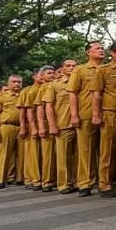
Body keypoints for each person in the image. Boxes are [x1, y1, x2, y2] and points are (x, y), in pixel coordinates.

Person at [91, 41, 116, 198]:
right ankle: (105, 184)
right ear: (113, 53)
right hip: (110, 113)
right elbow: (96, 94)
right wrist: (96, 115)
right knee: (107, 150)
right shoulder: (103, 70)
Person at [68, 41, 105, 197]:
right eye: (97, 49)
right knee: (86, 150)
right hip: (86, 114)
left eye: (102, 48)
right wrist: (74, 115)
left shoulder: (107, 68)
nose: (101, 51)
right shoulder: (80, 70)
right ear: (88, 53)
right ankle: (85, 183)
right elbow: (72, 93)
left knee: (105, 150)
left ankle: (105, 182)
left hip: (106, 113)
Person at [43, 59, 78, 194]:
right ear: (62, 68)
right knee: (63, 157)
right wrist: (52, 125)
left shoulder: (81, 82)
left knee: (79, 156)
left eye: (74, 65)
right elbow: (48, 106)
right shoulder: (54, 85)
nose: (71, 68)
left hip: (81, 124)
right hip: (63, 124)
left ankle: (77, 182)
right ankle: (64, 184)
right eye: (68, 66)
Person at [0, 75, 23, 188]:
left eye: (19, 82)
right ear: (8, 84)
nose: (16, 84)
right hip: (6, 126)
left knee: (22, 154)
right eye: (14, 82)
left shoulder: (24, 95)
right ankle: (0, 179)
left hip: (22, 126)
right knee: (3, 154)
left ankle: (20, 178)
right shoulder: (2, 97)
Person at [34, 66, 56, 191]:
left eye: (53, 73)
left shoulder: (57, 85)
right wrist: (42, 126)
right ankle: (46, 182)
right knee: (48, 154)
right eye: (48, 73)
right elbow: (39, 109)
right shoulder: (42, 89)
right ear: (41, 76)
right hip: (48, 123)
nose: (52, 75)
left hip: (61, 121)